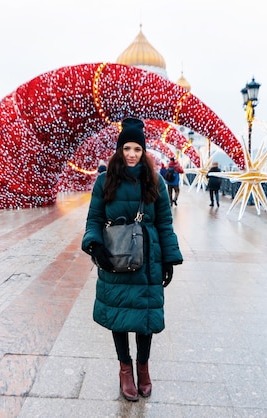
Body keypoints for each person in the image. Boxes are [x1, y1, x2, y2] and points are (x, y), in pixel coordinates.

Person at [82, 117, 183, 401]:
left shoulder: (156, 182)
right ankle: (125, 368)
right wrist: (95, 245)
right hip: (115, 256)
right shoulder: (105, 181)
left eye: (136, 149)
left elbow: (164, 223)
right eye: (126, 148)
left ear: (143, 151)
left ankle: (143, 367)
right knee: (119, 314)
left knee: (144, 317)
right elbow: (94, 219)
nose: (131, 154)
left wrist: (169, 259)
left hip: (148, 259)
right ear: (119, 150)